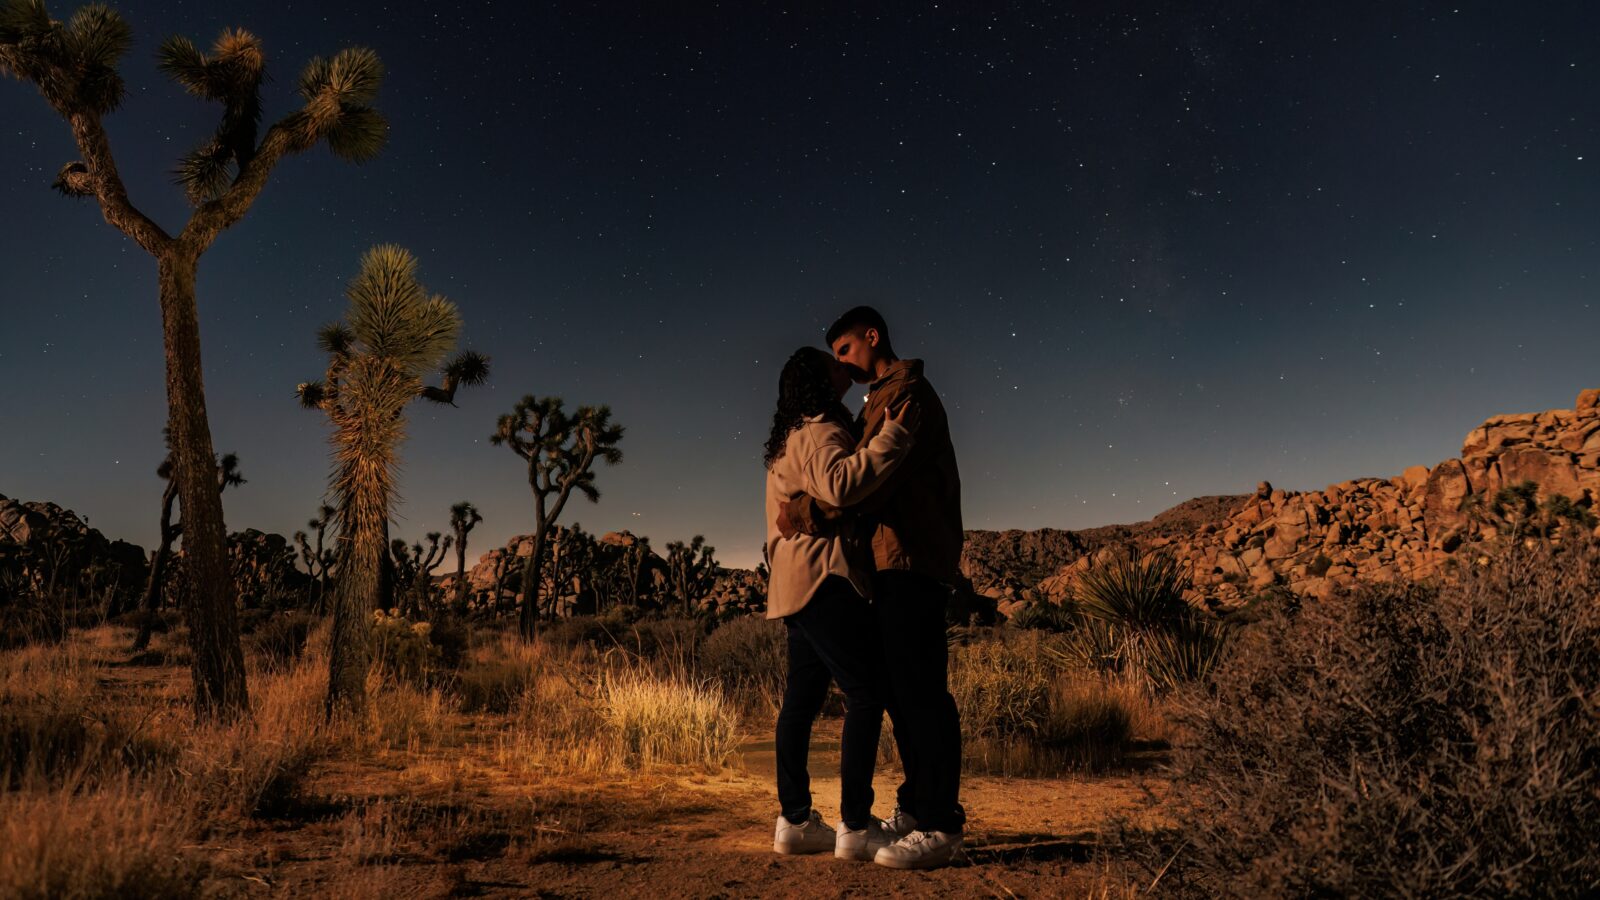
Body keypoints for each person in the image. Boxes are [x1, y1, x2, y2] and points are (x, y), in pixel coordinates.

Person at [778, 305, 966, 870]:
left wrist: (802, 513)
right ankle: (916, 809)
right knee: (904, 693)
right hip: (887, 565)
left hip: (912, 561)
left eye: (845, 350)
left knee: (923, 695)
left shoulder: (908, 394)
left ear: (871, 336)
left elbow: (864, 486)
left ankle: (942, 823)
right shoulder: (878, 399)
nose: (841, 364)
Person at [763, 346, 919, 861]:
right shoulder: (822, 429)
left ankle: (794, 820)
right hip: (824, 577)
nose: (842, 366)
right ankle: (854, 827)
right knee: (866, 692)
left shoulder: (790, 436)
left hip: (791, 585)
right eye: (832, 362)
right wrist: (892, 439)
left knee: (802, 701)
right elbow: (841, 485)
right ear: (818, 378)